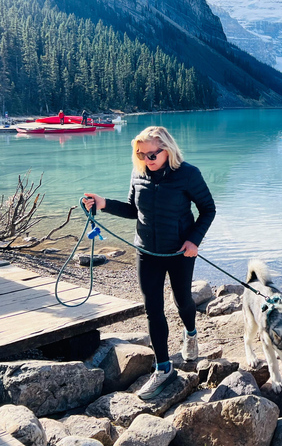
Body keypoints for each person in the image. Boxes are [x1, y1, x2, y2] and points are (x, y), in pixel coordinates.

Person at [83, 126, 216, 399]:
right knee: (153, 309)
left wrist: (194, 241)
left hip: (179, 252)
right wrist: (103, 203)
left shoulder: (188, 174)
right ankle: (164, 368)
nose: (147, 160)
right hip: (146, 251)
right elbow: (134, 210)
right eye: (141, 155)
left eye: (152, 154)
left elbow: (208, 209)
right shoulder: (138, 172)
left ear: (167, 149)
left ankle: (190, 333)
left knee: (183, 302)